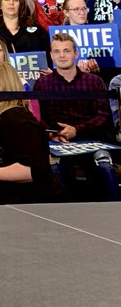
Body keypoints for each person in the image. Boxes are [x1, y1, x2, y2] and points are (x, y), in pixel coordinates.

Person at [33, 30, 115, 200]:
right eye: (57, 51)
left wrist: (77, 130)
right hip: (58, 142)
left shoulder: (94, 81)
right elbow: (39, 118)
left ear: (76, 54)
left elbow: (103, 116)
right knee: (53, 168)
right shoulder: (42, 84)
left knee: (104, 165)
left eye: (66, 51)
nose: (62, 55)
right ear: (51, 55)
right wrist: (52, 134)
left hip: (91, 139)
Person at [0, 63, 60, 205]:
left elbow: (33, 171)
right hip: (6, 198)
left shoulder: (17, 120)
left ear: (5, 83)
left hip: (31, 203)